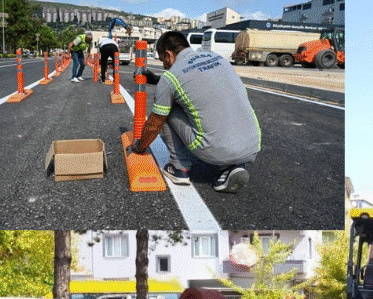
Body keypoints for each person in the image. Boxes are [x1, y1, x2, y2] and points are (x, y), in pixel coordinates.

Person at [131, 30, 261, 192]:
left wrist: (140, 146)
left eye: (163, 60)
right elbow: (198, 84)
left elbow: (155, 123)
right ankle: (231, 166)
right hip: (252, 145)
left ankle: (179, 168)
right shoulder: (218, 58)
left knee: (166, 109)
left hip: (213, 150)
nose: (164, 66)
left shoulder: (170, 78)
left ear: (168, 54)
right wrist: (157, 79)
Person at [98, 18, 131, 83]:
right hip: (113, 47)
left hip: (104, 47)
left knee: (103, 64)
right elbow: (117, 49)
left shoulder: (103, 40)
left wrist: (105, 67)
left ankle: (103, 79)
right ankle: (116, 79)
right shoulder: (113, 41)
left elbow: (100, 51)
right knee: (116, 63)